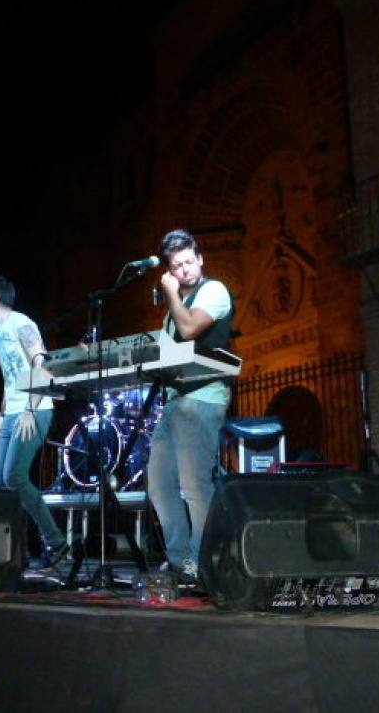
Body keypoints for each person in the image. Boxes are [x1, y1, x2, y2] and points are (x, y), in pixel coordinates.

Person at [146, 229, 235, 584]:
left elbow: (189, 329)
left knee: (195, 484)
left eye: (188, 262)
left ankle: (203, 560)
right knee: (159, 485)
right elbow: (165, 351)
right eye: (176, 265)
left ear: (200, 259)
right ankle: (180, 558)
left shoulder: (213, 291)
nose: (184, 270)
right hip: (174, 403)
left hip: (203, 398)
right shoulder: (173, 312)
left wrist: (169, 294)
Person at [0, 275, 70, 569]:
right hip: (10, 413)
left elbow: (40, 366)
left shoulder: (22, 323)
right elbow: (9, 378)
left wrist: (30, 409)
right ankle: (11, 550)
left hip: (35, 408)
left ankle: (57, 543)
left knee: (15, 477)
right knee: (1, 483)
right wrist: (1, 415)